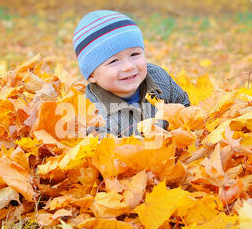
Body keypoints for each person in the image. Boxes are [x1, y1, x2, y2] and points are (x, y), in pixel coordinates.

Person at [72, 10, 190, 138]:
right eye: (114, 61)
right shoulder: (93, 115)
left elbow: (184, 106)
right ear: (91, 76)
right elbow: (108, 153)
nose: (128, 66)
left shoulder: (158, 78)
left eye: (134, 54)